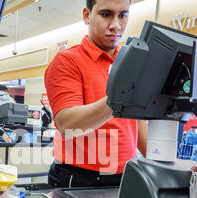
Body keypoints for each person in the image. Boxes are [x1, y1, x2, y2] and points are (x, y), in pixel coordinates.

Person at [44, 0, 148, 188]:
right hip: (77, 177)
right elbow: (67, 125)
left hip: (124, 175)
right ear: (87, 15)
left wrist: (164, 166)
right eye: (106, 14)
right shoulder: (67, 61)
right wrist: (118, 97)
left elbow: (137, 123)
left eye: (123, 15)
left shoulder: (131, 63)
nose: (116, 25)